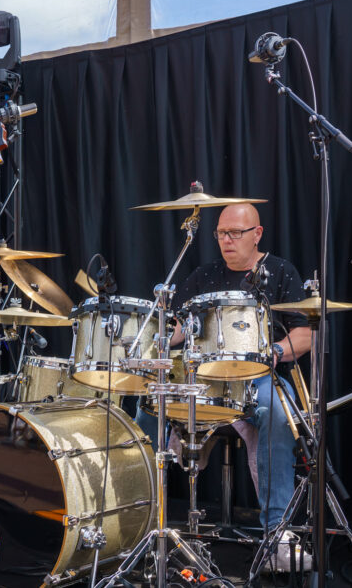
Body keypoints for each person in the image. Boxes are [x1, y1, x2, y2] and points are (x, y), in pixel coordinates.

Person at [137, 202, 313, 572]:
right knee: (148, 404)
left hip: (259, 375)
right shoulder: (204, 275)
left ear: (257, 234)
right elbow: (180, 329)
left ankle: (276, 534)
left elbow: (304, 334)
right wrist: (156, 337)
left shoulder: (280, 273)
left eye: (235, 233)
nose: (226, 241)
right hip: (204, 378)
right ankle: (141, 520)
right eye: (221, 234)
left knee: (279, 413)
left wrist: (275, 351)